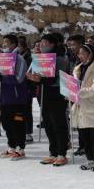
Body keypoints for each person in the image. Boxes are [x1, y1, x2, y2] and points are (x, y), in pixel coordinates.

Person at [29, 34, 70, 166]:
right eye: (41, 43)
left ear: (53, 44)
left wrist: (40, 79)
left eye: (45, 43)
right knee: (48, 124)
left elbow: (57, 78)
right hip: (45, 93)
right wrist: (33, 77)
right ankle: (53, 152)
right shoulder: (42, 57)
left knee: (58, 124)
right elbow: (39, 76)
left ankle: (61, 153)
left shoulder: (59, 58)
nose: (42, 45)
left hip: (57, 94)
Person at [0, 34, 29, 159]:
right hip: (4, 98)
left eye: (6, 42)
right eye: (3, 43)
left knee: (17, 123)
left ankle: (20, 148)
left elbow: (19, 79)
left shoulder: (19, 59)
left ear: (13, 44)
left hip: (17, 98)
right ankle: (11, 146)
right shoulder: (1, 58)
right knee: (7, 123)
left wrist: (3, 76)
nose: (4, 45)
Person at [73, 45, 94, 171]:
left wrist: (78, 92)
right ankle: (90, 159)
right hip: (82, 106)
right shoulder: (78, 68)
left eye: (82, 53)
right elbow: (74, 84)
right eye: (79, 53)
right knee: (85, 136)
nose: (79, 56)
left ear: (91, 54)